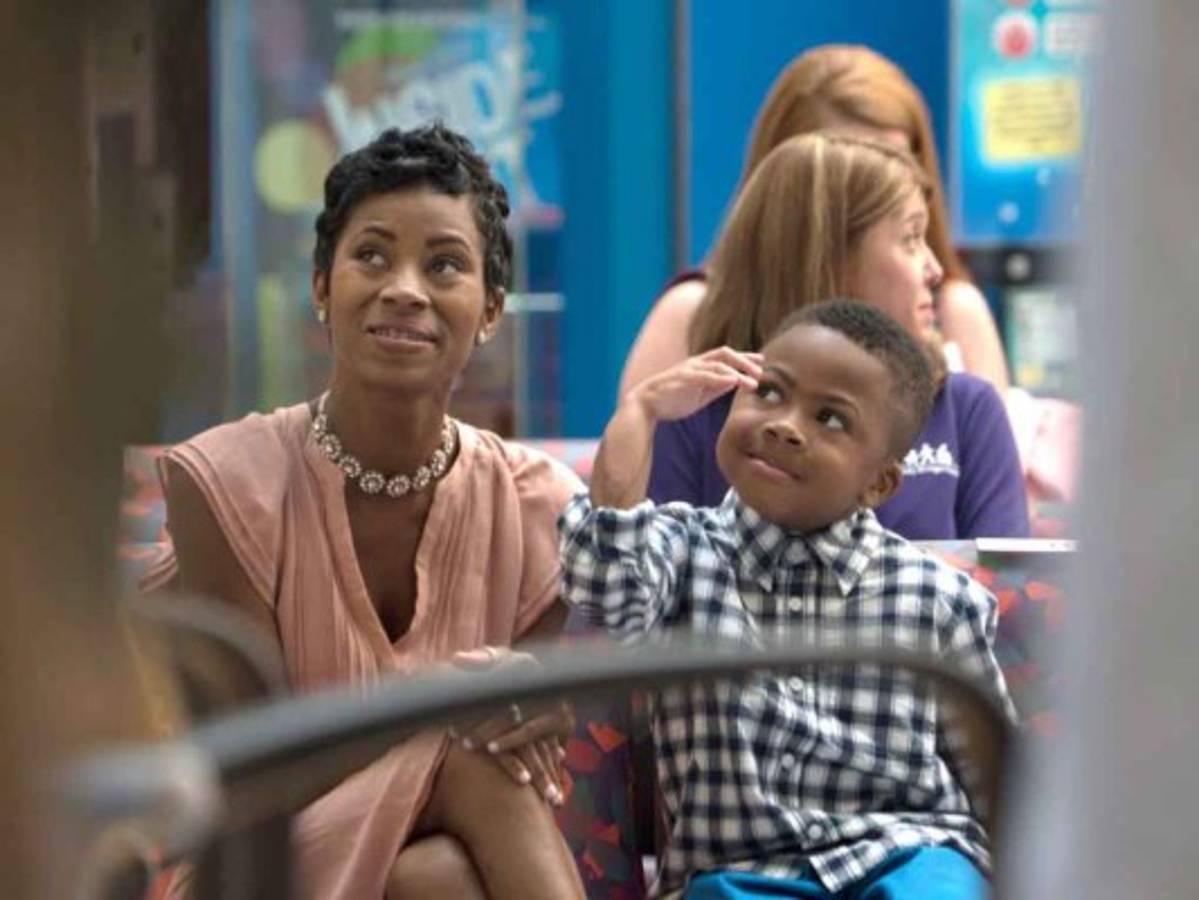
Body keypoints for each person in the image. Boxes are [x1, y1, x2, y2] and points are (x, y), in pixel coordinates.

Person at [154, 124, 585, 899]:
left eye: (444, 264)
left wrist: (528, 706)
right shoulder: (223, 482)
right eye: (372, 255)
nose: (405, 288)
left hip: (441, 860)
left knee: (444, 877)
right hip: (253, 867)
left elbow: (534, 750)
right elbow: (253, 768)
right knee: (468, 764)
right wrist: (449, 722)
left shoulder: (541, 511)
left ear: (489, 310)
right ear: (322, 285)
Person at [560, 299, 1017, 899]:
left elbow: (1002, 790)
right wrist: (639, 412)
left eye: (830, 419)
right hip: (740, 874)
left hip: (911, 855)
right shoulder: (677, 553)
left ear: (878, 483)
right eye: (769, 392)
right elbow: (602, 589)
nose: (784, 424)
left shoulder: (941, 600)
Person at [646, 133, 1029, 539]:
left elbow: (1008, 592)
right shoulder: (690, 413)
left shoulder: (966, 410)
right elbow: (646, 588)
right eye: (911, 239)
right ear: (829, 258)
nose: (934, 269)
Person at [620, 44, 1010, 398]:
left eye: (898, 162)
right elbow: (630, 465)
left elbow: (995, 465)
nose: (878, 182)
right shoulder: (693, 312)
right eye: (841, 172)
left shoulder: (955, 312)